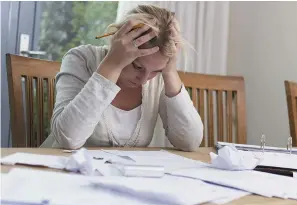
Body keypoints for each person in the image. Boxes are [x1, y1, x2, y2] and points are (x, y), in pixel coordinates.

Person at [41, 5, 203, 151]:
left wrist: (169, 72)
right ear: (118, 43)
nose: (144, 79)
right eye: (138, 67)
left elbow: (190, 142)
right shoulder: (81, 59)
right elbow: (68, 139)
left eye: (157, 71)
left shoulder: (159, 77)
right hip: (61, 175)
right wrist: (112, 65)